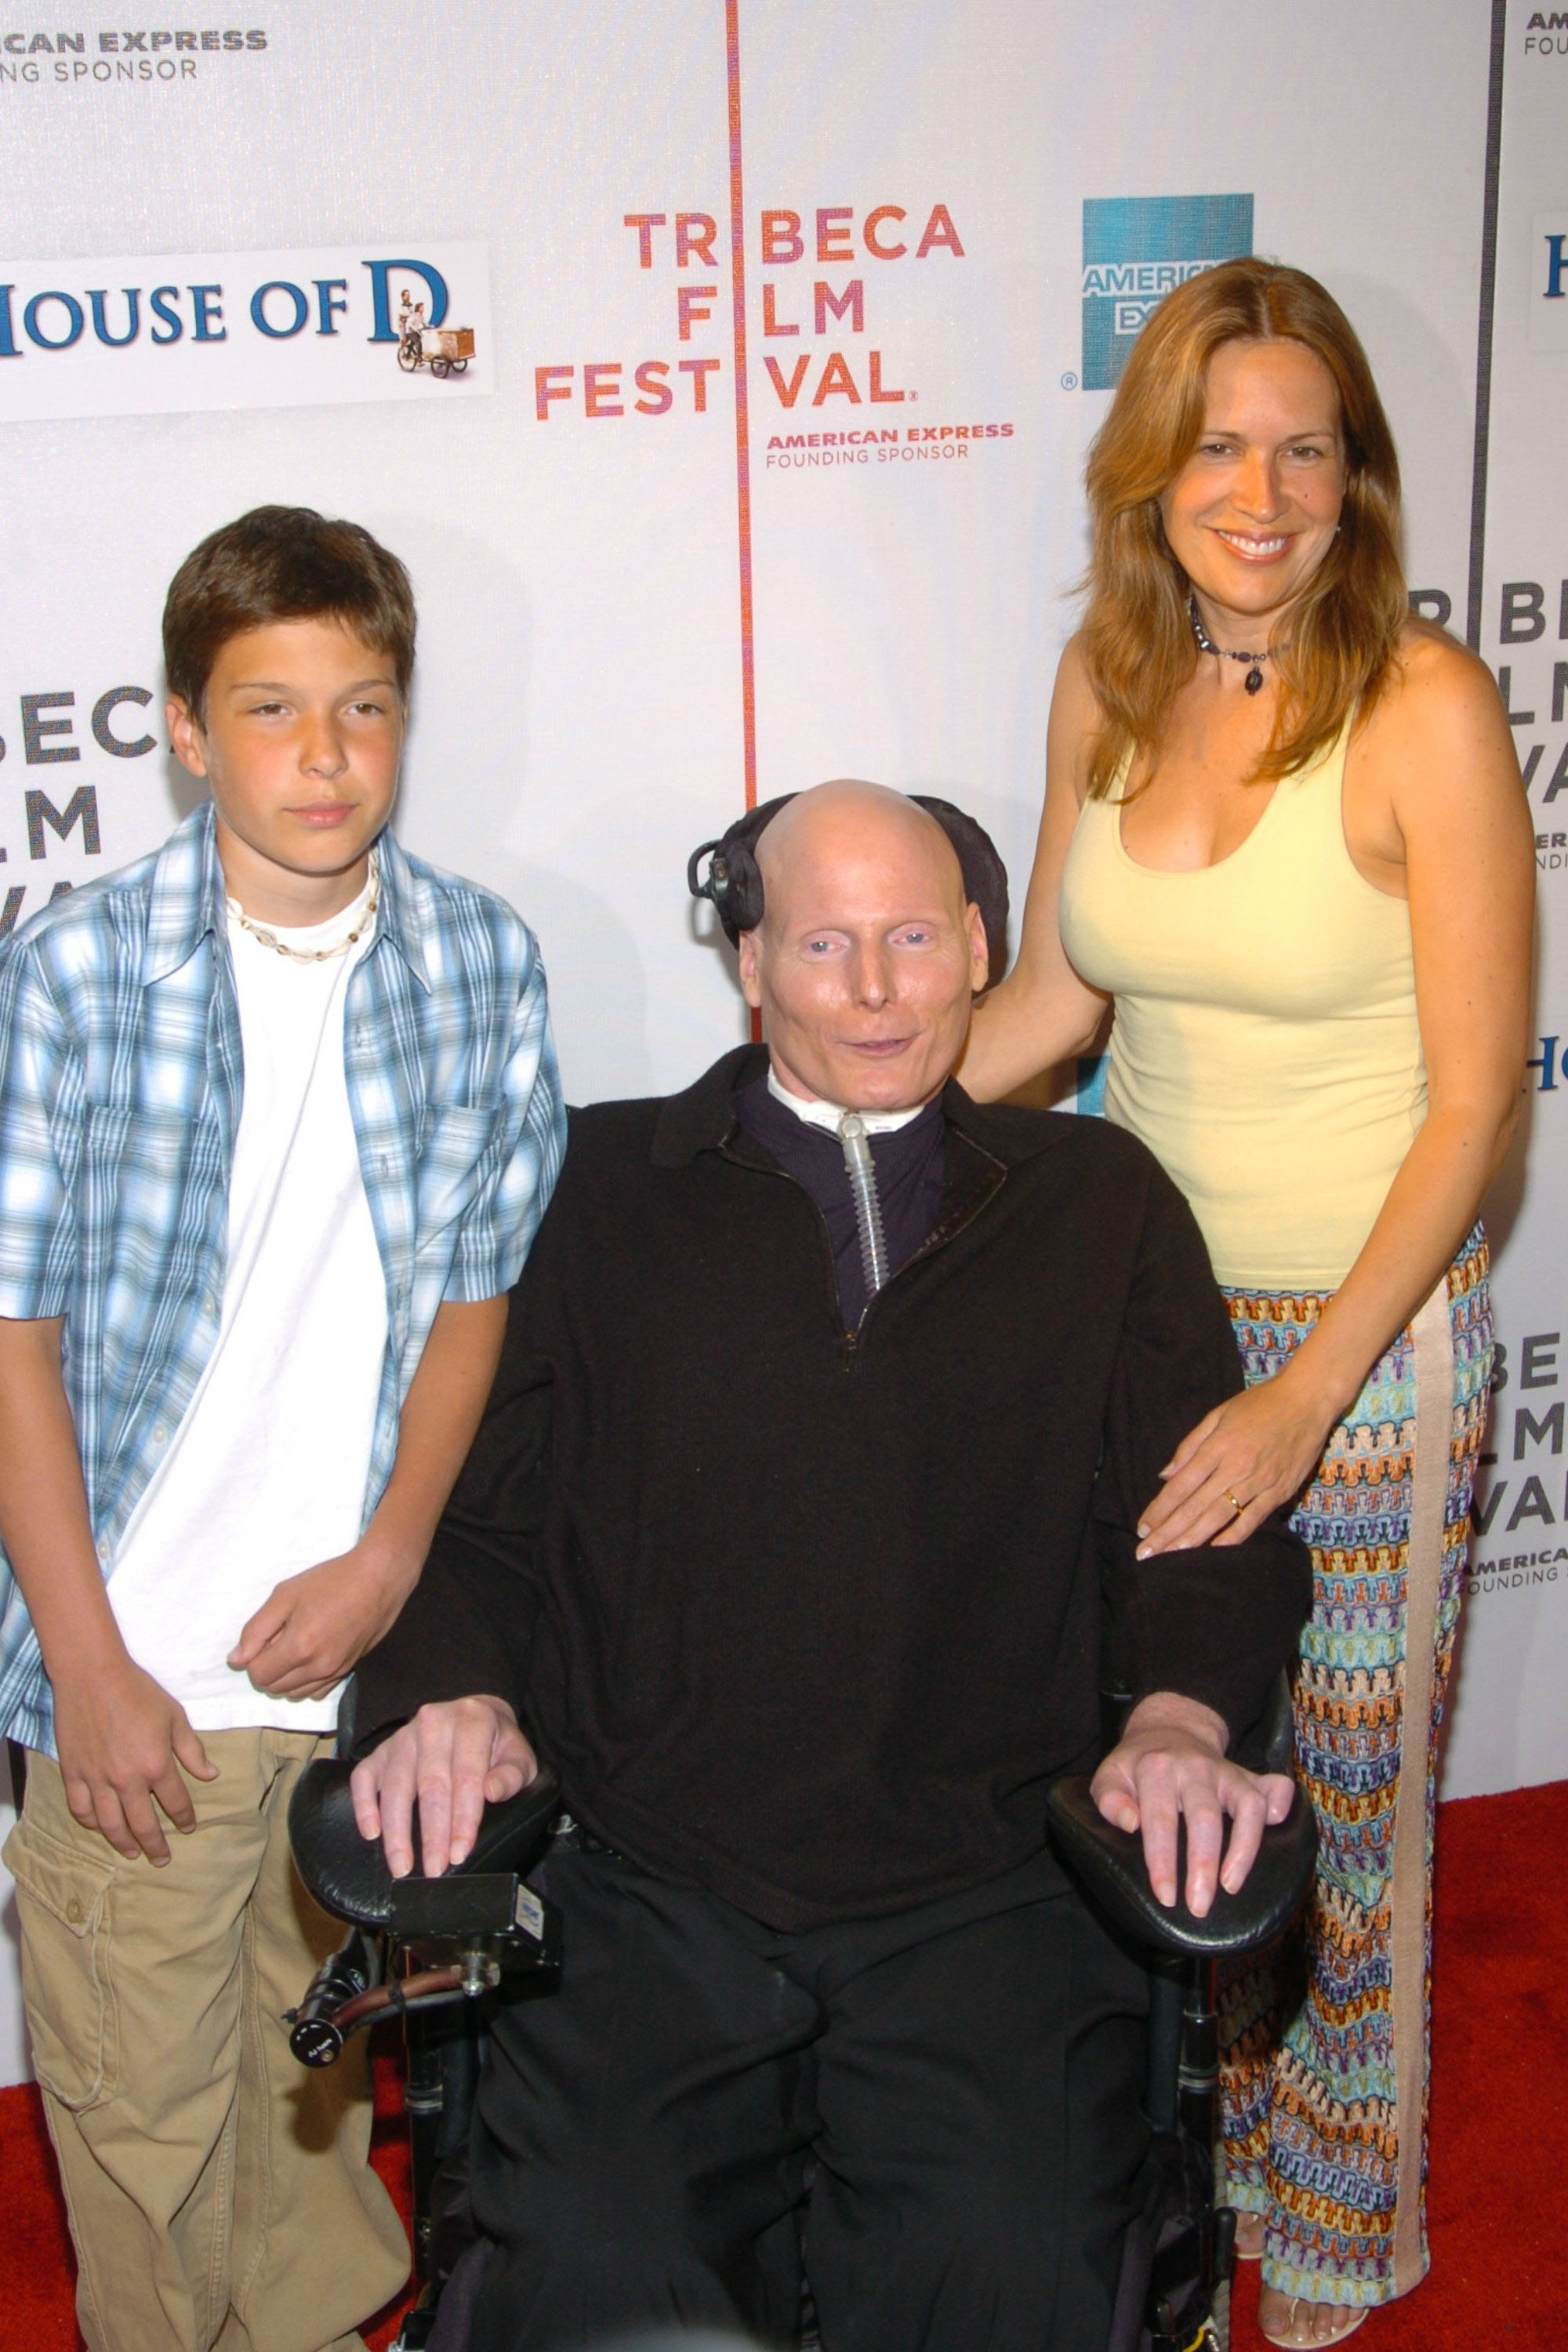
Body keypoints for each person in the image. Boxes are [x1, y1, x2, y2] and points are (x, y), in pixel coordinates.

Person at [349, 779, 1312, 2352]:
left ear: (983, 948)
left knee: (1000, 2293)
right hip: (649, 1880)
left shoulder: (1100, 1205)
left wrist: (1180, 1721)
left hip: (989, 1886)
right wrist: (450, 1685)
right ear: (748, 967)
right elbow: (472, 1508)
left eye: (916, 938)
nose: (875, 991)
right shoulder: (588, 1191)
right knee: (599, 2292)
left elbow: (1208, 1516)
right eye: (824, 944)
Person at [960, 260, 1534, 2345]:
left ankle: (1340, 2232)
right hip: (1136, 1323)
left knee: (1347, 1809)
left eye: (1309, 446)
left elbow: (1476, 1106)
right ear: (1151, 472)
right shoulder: (1104, 682)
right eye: (1222, 445)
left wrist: (1313, 1399)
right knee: (1164, 1780)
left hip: (1366, 1342)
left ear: (1359, 476)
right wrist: (843, 1119)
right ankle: (1184, 2190)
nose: (1266, 488)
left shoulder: (1425, 710)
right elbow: (1056, 994)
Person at [0, 505, 566, 2352]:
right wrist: (81, 1658)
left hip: (345, 1655)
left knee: (318, 2097)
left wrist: (395, 1557)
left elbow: (476, 1294)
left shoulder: (479, 959)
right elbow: (13, 1336)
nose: (324, 759)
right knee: (145, 2126)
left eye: (365, 708)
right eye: (268, 711)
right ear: (180, 730)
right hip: (139, 1671)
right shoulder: (78, 975)